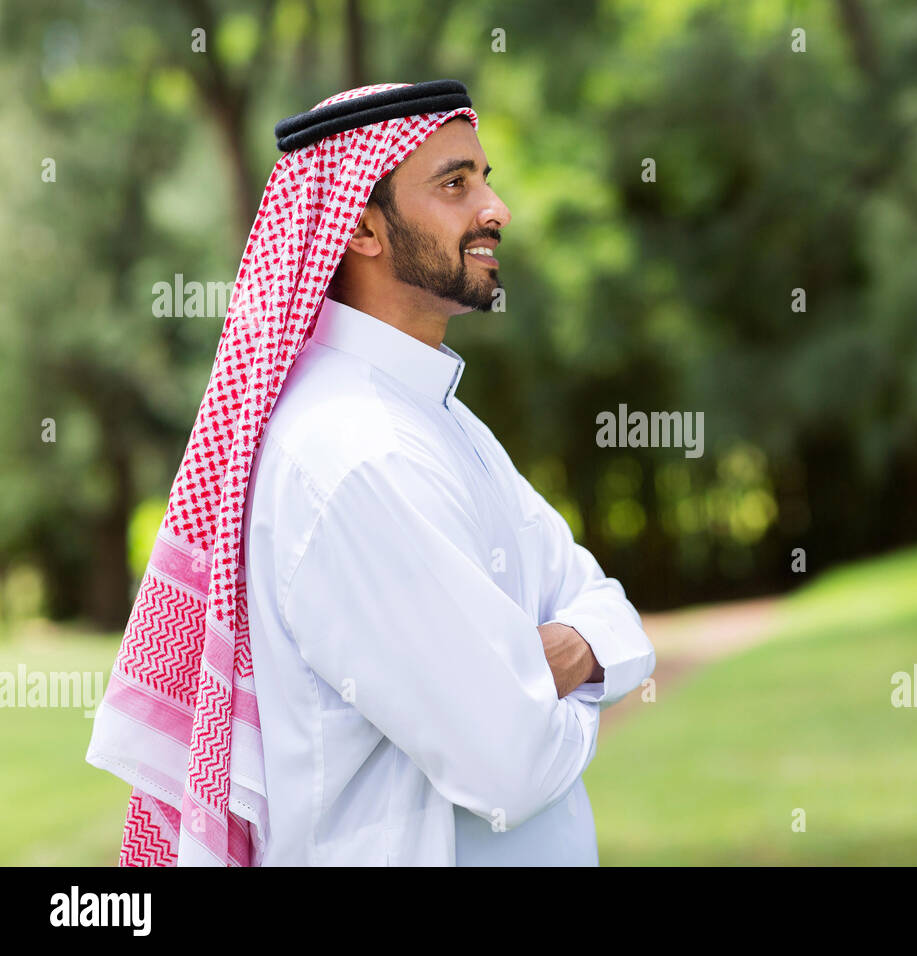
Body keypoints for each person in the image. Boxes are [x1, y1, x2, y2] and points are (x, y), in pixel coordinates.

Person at [85, 81, 655, 866]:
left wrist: (547, 662)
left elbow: (607, 605)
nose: (496, 209)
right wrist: (572, 660)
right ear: (359, 226)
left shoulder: (440, 420)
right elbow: (511, 762)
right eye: (456, 184)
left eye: (485, 178)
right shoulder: (352, 454)